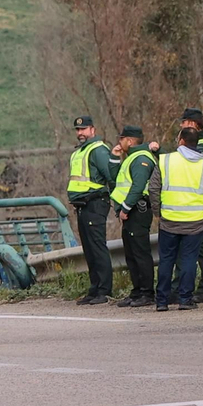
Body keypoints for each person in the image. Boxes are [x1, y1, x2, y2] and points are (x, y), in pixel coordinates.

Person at [149, 126, 203, 311]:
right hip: (196, 222)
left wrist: (157, 212)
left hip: (169, 220)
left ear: (181, 141)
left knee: (166, 260)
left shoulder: (165, 160)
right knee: (189, 260)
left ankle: (162, 301)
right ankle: (185, 299)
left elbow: (153, 188)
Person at [66, 115, 115, 304]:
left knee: (97, 247)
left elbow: (111, 176)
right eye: (78, 130)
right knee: (89, 249)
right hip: (83, 206)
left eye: (83, 129)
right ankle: (94, 289)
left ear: (92, 130)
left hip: (95, 203)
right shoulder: (80, 151)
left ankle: (104, 290)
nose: (80, 133)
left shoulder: (98, 150)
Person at [110, 125, 157, 307]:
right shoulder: (130, 158)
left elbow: (137, 187)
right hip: (130, 212)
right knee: (131, 254)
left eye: (121, 139)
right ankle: (137, 291)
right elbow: (116, 181)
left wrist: (125, 208)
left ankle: (147, 293)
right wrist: (114, 158)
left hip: (137, 210)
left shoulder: (141, 159)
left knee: (140, 253)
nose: (119, 142)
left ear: (129, 141)